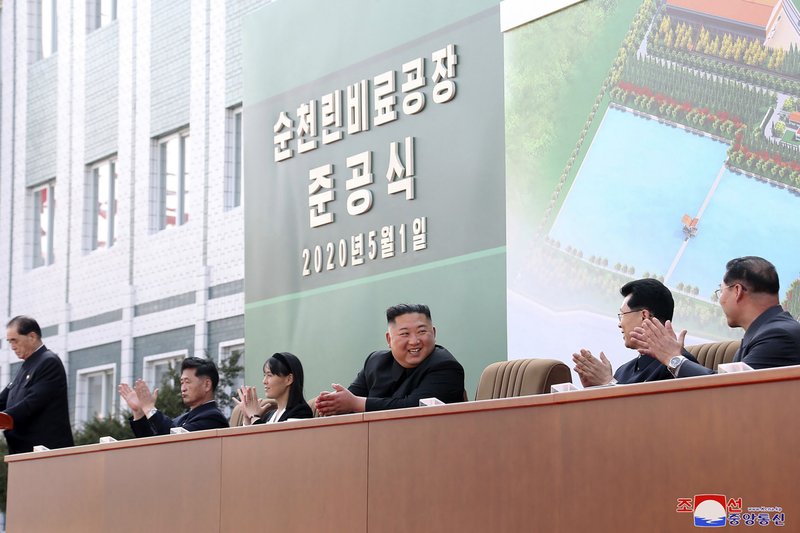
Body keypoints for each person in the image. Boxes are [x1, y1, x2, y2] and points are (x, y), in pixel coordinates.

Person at [632, 256, 800, 376]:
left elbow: (729, 390)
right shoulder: (768, 332)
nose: (720, 299)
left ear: (737, 291)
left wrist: (673, 358)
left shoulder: (779, 336)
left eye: (721, 290)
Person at [315, 304, 465, 415]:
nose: (414, 341)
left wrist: (356, 403)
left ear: (433, 332)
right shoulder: (375, 362)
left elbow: (414, 408)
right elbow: (349, 400)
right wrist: (333, 404)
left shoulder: (446, 366)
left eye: (421, 332)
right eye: (405, 334)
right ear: (389, 339)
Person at [572, 279, 698, 387]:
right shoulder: (622, 371)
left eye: (622, 315)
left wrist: (608, 383)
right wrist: (595, 391)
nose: (620, 324)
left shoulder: (679, 366)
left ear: (644, 316)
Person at [0, 316, 74, 454]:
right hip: (23, 451)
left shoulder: (48, 362)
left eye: (15, 340)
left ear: (32, 337)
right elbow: (5, 397)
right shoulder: (26, 366)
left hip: (45, 452)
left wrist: (6, 417)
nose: (12, 347)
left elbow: (32, 402)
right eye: (9, 342)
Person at [118, 356, 229, 437]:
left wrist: (149, 408)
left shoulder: (213, 418)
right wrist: (139, 412)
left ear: (207, 385)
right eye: (181, 382)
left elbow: (175, 439)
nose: (183, 388)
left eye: (187, 382)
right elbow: (153, 444)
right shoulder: (182, 419)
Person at [234, 352, 313, 424]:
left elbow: (268, 439)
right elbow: (250, 439)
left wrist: (254, 416)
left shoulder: (301, 412)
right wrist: (247, 417)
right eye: (264, 375)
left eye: (269, 375)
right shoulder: (269, 415)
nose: (264, 381)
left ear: (289, 379)